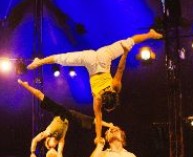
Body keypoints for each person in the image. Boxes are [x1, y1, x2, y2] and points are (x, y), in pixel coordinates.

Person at [27, 29, 163, 145]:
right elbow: (98, 118)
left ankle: (150, 34)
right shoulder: (97, 98)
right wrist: (97, 136)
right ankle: (40, 62)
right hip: (91, 61)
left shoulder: (115, 88)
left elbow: (120, 68)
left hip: (104, 57)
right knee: (63, 59)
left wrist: (126, 52)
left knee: (130, 41)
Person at [18, 79, 114, 157]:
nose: (53, 146)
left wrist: (32, 152)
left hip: (59, 112)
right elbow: (60, 153)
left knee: (40, 96)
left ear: (48, 140)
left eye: (50, 145)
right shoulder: (61, 140)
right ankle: (108, 124)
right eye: (53, 147)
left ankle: (25, 85)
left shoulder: (46, 133)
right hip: (69, 116)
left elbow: (35, 140)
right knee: (89, 120)